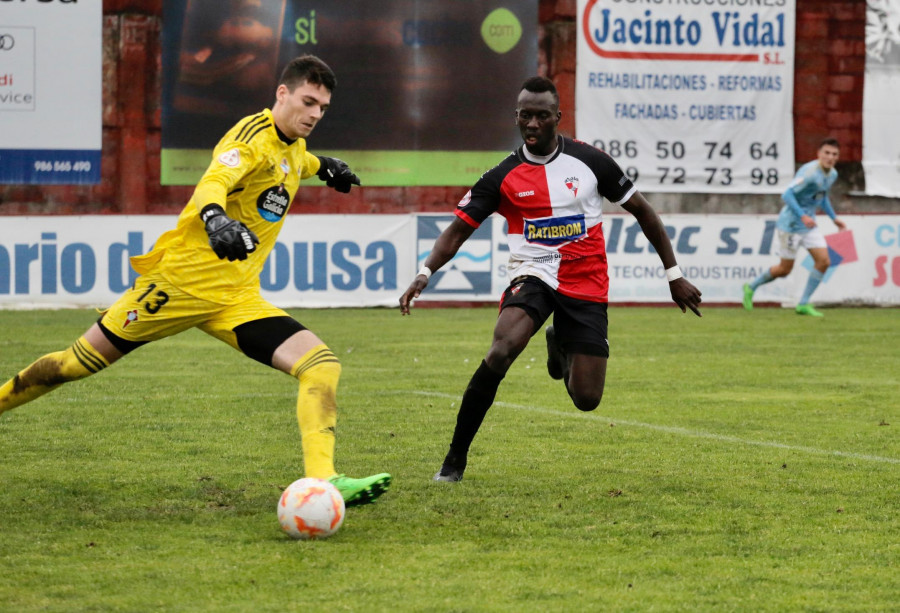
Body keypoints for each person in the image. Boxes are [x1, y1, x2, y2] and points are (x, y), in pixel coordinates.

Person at [0, 55, 391, 507]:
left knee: (321, 365)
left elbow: (297, 163)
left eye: (322, 108)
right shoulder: (249, 138)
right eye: (308, 102)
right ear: (282, 94)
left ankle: (324, 481)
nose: (314, 115)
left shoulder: (292, 148)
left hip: (236, 298)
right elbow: (214, 182)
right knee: (74, 364)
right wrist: (214, 219)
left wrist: (326, 166)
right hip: (177, 286)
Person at [398, 76, 703, 482]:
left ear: (557, 117)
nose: (534, 123)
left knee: (587, 399)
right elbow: (457, 231)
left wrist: (674, 275)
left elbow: (645, 213)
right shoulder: (501, 176)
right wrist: (424, 273)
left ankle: (559, 343)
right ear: (517, 117)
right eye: (526, 115)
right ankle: (454, 460)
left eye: (543, 116)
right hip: (533, 272)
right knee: (502, 347)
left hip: (586, 280)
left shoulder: (592, 162)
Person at [742, 138, 847, 317]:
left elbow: (822, 197)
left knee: (824, 261)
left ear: (837, 157)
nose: (830, 157)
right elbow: (787, 194)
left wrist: (833, 218)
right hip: (790, 225)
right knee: (784, 269)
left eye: (834, 154)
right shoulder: (810, 172)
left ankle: (803, 304)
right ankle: (751, 287)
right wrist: (803, 215)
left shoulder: (832, 175)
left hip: (809, 225)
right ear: (819, 154)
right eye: (827, 153)